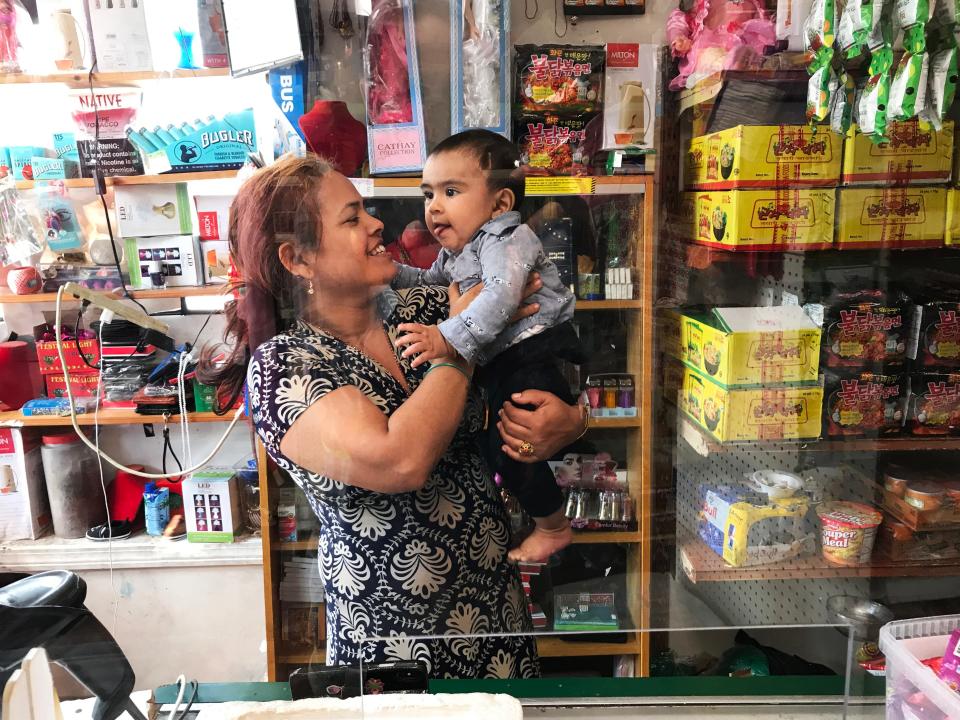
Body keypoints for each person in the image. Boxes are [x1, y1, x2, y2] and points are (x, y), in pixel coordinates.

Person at [200, 155, 588, 678]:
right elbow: (399, 461)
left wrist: (573, 417)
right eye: (351, 217)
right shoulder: (284, 367)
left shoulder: (425, 306)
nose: (377, 223)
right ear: (298, 260)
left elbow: (538, 347)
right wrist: (462, 343)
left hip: (495, 612)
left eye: (366, 211)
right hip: (391, 640)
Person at [391, 129, 583, 564]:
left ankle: (553, 526)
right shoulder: (462, 248)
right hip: (507, 356)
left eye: (451, 191)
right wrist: (392, 274)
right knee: (499, 443)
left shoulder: (507, 240)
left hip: (536, 352)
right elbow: (431, 284)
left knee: (515, 446)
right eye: (428, 194)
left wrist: (447, 337)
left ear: (500, 205)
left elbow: (500, 296)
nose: (434, 206)